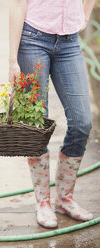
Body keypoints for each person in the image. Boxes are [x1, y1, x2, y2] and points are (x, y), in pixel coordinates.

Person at [9, 0, 96, 228]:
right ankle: (43, 202)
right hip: (32, 39)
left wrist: (84, 16)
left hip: (69, 43)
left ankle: (65, 199)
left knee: (82, 122)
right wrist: (12, 60)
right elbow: (18, 4)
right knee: (37, 126)